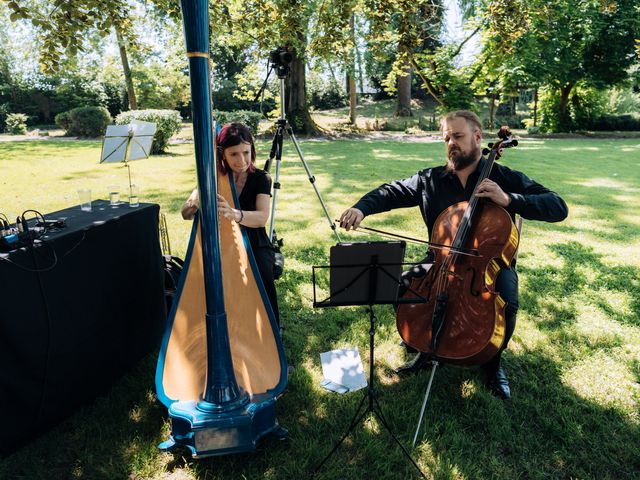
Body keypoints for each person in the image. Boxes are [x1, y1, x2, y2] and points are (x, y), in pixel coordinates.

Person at [339, 110, 568, 399]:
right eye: (446, 138)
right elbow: (391, 191)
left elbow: (558, 206)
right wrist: (361, 208)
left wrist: (509, 199)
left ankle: (492, 363)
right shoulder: (430, 179)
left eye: (457, 136)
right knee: (403, 286)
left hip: (488, 266)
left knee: (507, 300)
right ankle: (424, 348)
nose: (451, 143)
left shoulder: (502, 178)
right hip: (440, 261)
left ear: (477, 137)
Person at [181, 122, 280, 325]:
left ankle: (271, 326)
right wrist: (195, 200)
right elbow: (185, 213)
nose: (241, 160)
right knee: (204, 275)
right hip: (221, 242)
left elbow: (262, 218)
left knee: (262, 271)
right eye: (234, 154)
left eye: (246, 152)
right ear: (222, 154)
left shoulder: (261, 178)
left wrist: (234, 213)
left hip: (254, 241)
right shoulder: (213, 178)